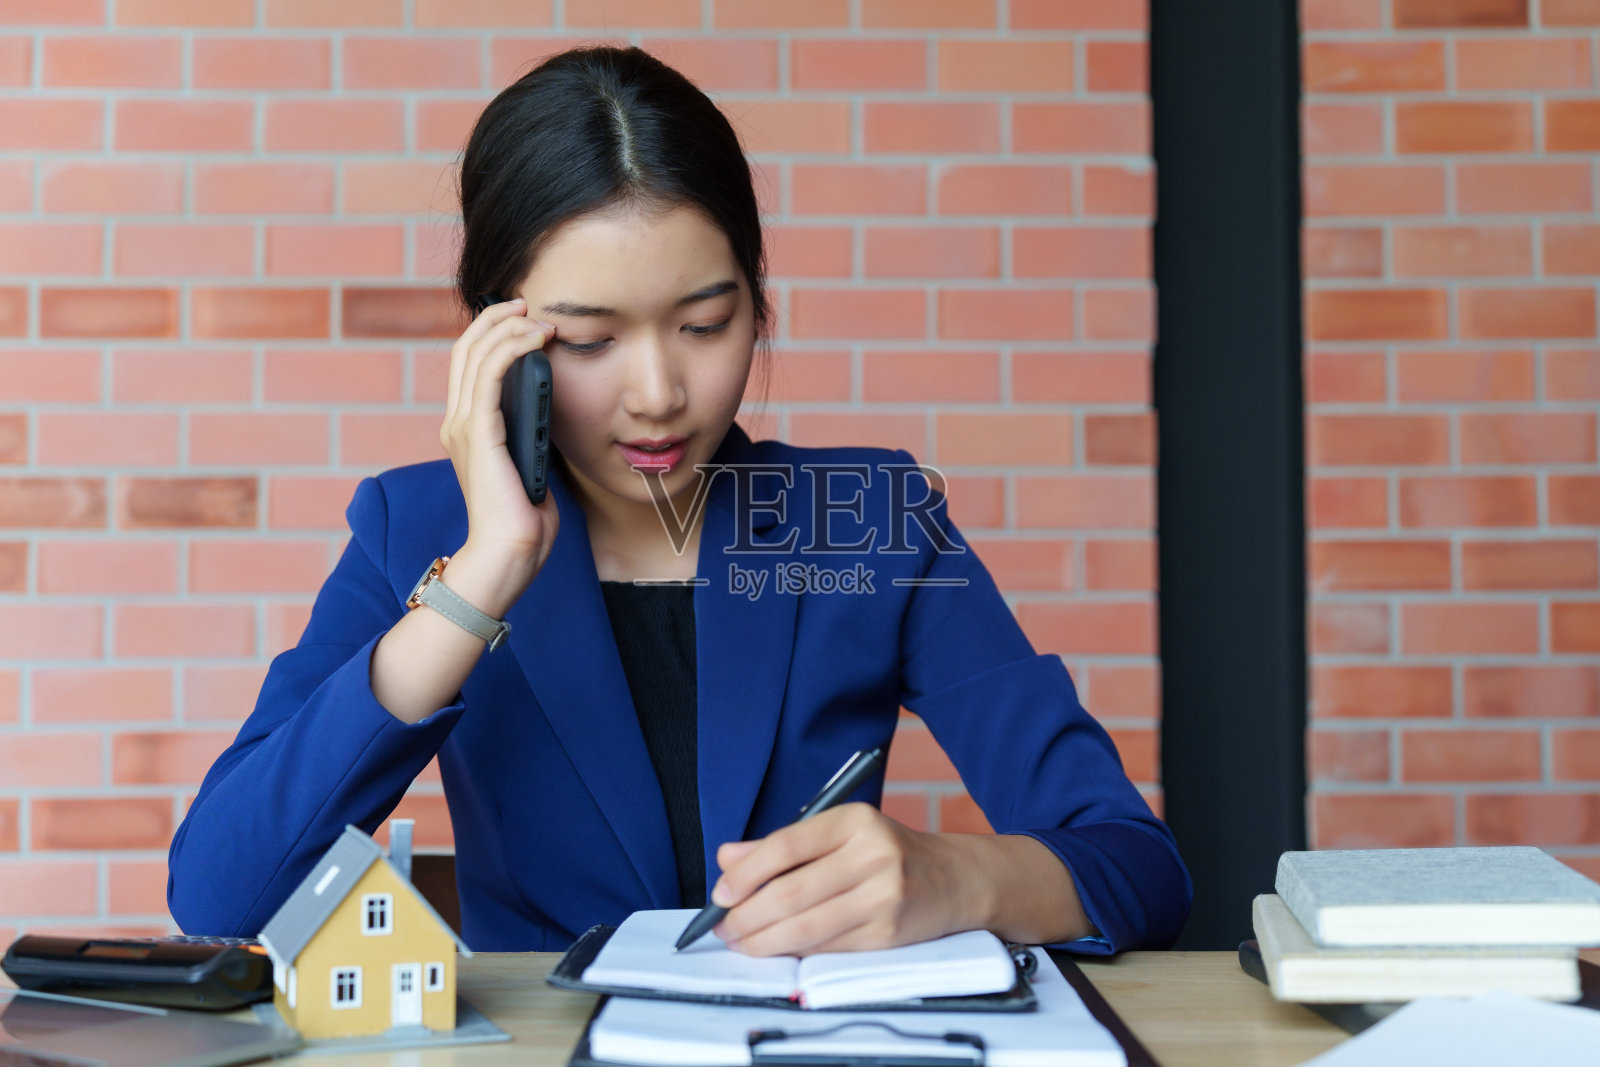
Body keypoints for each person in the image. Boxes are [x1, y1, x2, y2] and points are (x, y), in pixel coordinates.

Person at [166, 45, 1191, 958]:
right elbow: (221, 894)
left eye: (705, 322)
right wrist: (482, 576)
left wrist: (962, 879)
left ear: (755, 297)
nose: (657, 392)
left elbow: (1136, 867)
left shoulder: (869, 520)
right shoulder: (417, 531)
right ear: (500, 343)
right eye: (588, 340)